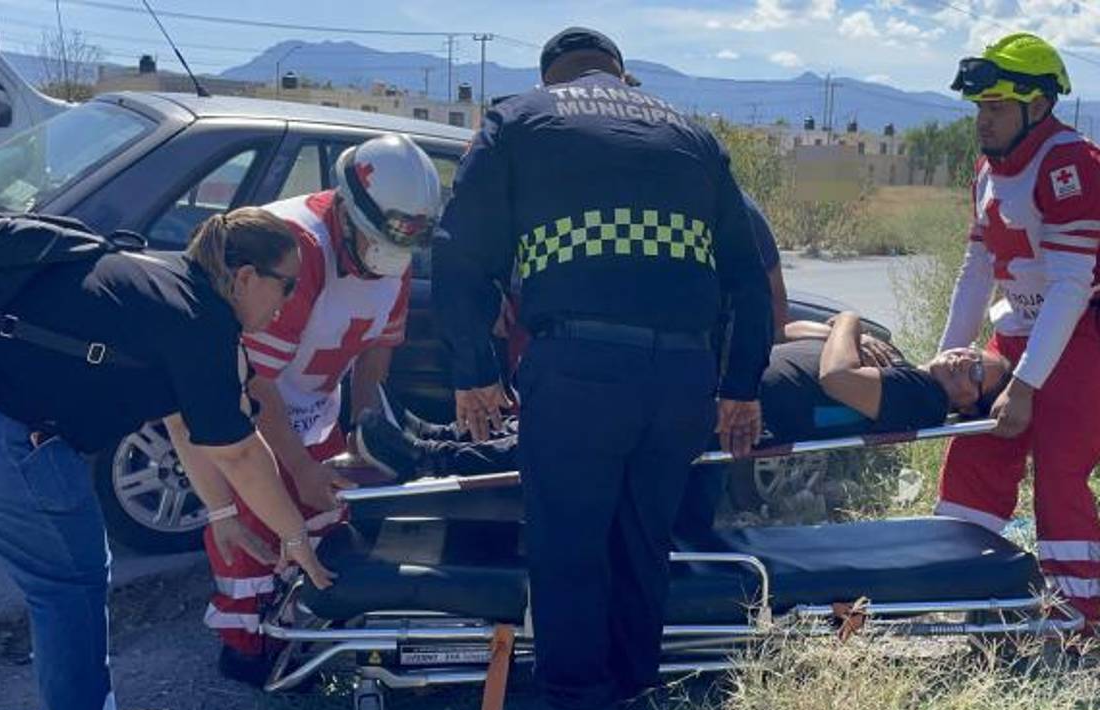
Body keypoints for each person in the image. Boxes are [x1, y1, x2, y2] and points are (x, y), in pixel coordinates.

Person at [432, 27, 772, 710]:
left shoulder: (520, 119)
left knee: (569, 546)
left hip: (579, 367)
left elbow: (458, 252)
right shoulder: (691, 133)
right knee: (641, 544)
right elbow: (747, 276)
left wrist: (475, 369)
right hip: (681, 375)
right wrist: (741, 385)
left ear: (552, 75)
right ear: (623, 74)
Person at [0, 208, 333, 710]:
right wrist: (297, 537)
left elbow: (184, 421)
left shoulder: (159, 281)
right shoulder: (201, 321)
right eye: (288, 284)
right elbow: (240, 452)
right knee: (70, 579)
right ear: (245, 275)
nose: (288, 302)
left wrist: (223, 516)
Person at [202, 134, 442, 687]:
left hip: (316, 409)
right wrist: (301, 466)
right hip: (256, 423)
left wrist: (362, 428)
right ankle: (246, 654)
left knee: (321, 528)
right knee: (258, 534)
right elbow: (257, 382)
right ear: (347, 209)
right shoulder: (295, 248)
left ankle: (301, 631)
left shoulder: (389, 248)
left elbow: (379, 343)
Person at [358, 311, 1009, 481]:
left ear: (967, 404)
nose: (961, 357)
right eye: (969, 351)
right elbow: (794, 333)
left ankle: (425, 462)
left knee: (574, 444)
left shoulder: (919, 400)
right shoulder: (898, 364)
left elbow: (837, 380)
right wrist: (851, 331)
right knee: (569, 426)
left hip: (722, 417)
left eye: (974, 371)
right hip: (710, 391)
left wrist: (850, 322)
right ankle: (434, 440)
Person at [932, 33, 1100, 627]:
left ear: (1038, 105)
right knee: (976, 450)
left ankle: (1078, 617)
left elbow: (1070, 287)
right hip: (1020, 332)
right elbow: (977, 269)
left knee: (1059, 474)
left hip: (1080, 338)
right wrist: (946, 356)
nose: (983, 121)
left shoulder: (1070, 161)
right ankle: (962, 587)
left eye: (996, 108)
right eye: (980, 108)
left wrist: (1025, 385)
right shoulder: (988, 169)